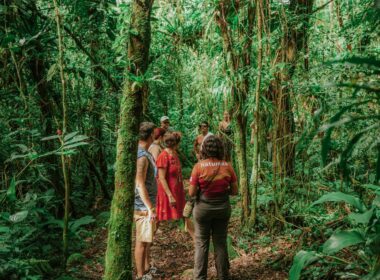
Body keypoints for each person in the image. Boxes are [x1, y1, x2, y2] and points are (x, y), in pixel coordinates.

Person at [189, 135, 238, 280]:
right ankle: (223, 276)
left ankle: (199, 277)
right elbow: (235, 191)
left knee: (201, 243)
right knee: (220, 243)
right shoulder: (227, 166)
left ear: (204, 149)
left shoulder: (198, 167)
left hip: (203, 209)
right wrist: (222, 192)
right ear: (220, 149)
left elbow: (192, 193)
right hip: (222, 208)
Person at [156, 131, 195, 239]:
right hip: (167, 192)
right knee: (159, 218)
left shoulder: (174, 153)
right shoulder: (163, 156)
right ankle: (147, 243)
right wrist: (169, 195)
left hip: (177, 190)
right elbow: (161, 178)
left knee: (184, 214)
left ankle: (196, 240)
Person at [134, 122, 158, 280]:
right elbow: (139, 183)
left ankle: (147, 268)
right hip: (142, 206)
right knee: (141, 241)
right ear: (151, 135)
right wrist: (149, 207)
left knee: (147, 239)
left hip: (148, 203)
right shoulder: (141, 156)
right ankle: (140, 275)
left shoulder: (145, 152)